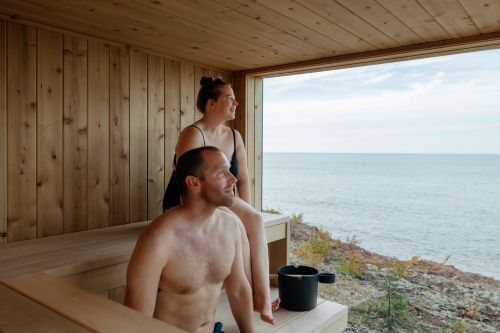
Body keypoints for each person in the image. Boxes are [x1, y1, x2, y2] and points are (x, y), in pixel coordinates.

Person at [162, 77, 279, 324]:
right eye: (229, 98)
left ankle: (262, 297)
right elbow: (188, 182)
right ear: (211, 103)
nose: (236, 103)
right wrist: (239, 217)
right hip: (190, 201)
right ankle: (256, 298)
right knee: (240, 228)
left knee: (254, 220)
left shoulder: (235, 136)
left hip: (222, 199)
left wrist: (245, 210)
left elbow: (243, 180)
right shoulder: (193, 134)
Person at [125, 147, 255, 333]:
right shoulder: (159, 238)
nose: (233, 179)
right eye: (221, 173)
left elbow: (239, 290)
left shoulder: (230, 226)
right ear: (193, 183)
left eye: (229, 171)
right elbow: (136, 320)